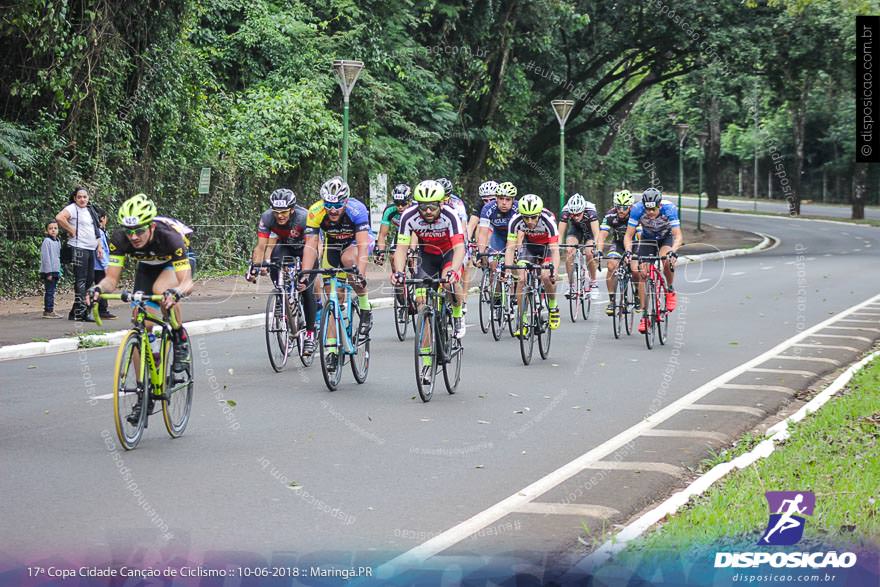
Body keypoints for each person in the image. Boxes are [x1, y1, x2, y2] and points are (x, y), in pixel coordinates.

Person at [86, 194, 195, 375]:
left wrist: (176, 293)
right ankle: (142, 392)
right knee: (140, 323)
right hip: (147, 266)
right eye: (129, 231)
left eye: (139, 230)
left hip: (173, 264)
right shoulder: (120, 239)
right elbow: (111, 280)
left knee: (161, 290)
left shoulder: (170, 238)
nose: (134, 236)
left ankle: (179, 336)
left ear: (151, 226)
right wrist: (97, 288)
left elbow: (187, 283)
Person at [390, 179, 466, 383]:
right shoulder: (409, 216)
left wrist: (454, 270)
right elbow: (402, 248)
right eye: (424, 206)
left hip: (449, 253)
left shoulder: (451, 215)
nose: (428, 211)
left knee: (450, 281)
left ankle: (458, 313)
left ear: (442, 203)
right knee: (422, 304)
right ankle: (426, 364)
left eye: (433, 206)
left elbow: (460, 247)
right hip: (427, 256)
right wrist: (398, 272)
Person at [300, 176, 374, 373]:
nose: (333, 210)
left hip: (356, 243)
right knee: (333, 298)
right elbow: (310, 245)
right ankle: (332, 348)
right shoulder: (315, 211)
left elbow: (363, 246)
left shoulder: (356, 211)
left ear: (346, 202)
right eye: (329, 205)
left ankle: (365, 308)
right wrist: (305, 274)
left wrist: (360, 274)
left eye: (338, 205)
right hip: (333, 245)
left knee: (349, 262)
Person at [246, 188, 316, 356]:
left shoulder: (304, 217)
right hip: (286, 247)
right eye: (276, 212)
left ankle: (310, 335)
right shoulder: (267, 217)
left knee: (305, 290)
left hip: (306, 248)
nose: (280, 216)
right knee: (275, 262)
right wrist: (255, 266)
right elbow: (261, 246)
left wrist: (305, 275)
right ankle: (281, 294)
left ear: (292, 209)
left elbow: (312, 246)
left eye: (284, 212)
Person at [623, 188, 683, 334]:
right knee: (643, 273)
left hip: (665, 239)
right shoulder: (637, 209)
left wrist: (673, 252)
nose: (650, 212)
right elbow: (628, 236)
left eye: (653, 209)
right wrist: (629, 252)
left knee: (667, 261)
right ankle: (645, 316)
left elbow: (678, 236)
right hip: (647, 240)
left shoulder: (669, 209)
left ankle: (669, 289)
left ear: (659, 205)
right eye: (647, 209)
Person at [503, 194, 561, 332]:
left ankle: (553, 306)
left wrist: (555, 270)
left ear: (539, 214)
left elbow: (555, 249)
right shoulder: (515, 220)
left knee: (546, 276)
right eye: (526, 217)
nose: (529, 221)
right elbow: (510, 248)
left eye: (533, 217)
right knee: (521, 278)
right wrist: (508, 271)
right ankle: (522, 320)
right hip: (529, 246)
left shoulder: (548, 220)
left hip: (546, 247)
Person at [55, 186, 102, 320]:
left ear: (88, 198)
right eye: (79, 197)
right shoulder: (72, 209)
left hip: (91, 247)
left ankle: (75, 311)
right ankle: (82, 312)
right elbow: (59, 218)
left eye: (85, 197)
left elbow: (96, 229)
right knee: (80, 279)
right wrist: (71, 229)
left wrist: (99, 246)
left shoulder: (90, 210)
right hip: (78, 247)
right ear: (75, 198)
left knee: (90, 279)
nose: (82, 199)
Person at [475, 181, 518, 300]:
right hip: (498, 235)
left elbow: (521, 233)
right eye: (501, 198)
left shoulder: (518, 208)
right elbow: (483, 233)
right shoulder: (488, 208)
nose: (504, 203)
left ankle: (516, 288)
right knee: (493, 264)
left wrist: (516, 251)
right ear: (496, 198)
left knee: (516, 263)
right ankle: (498, 298)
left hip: (515, 236)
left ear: (513, 199)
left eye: (508, 199)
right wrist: (480, 253)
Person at [596, 190, 635, 316]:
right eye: (618, 207)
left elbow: (640, 235)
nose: (621, 210)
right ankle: (612, 301)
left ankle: (637, 296)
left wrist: (632, 254)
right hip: (618, 244)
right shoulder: (610, 215)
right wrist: (599, 251)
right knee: (611, 266)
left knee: (635, 270)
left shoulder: (636, 215)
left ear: (630, 207)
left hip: (635, 244)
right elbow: (602, 236)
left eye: (624, 208)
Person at [557, 193, 601, 300]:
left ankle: (593, 283)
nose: (575, 217)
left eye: (578, 214)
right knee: (569, 251)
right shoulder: (566, 211)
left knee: (589, 252)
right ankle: (571, 285)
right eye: (573, 215)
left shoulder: (590, 211)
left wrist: (596, 248)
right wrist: (557, 246)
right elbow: (560, 234)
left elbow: (596, 234)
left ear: (583, 210)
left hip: (589, 230)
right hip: (576, 230)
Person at [374, 183, 412, 266]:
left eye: (403, 203)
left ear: (409, 202)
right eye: (397, 203)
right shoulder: (389, 210)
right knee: (393, 257)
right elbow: (382, 234)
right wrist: (381, 252)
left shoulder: (415, 208)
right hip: (401, 234)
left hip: (416, 234)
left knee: (412, 259)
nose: (400, 207)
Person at [91, 206, 116, 319]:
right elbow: (102, 252)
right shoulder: (99, 233)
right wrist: (107, 266)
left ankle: (101, 309)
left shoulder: (98, 232)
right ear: (102, 218)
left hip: (96, 266)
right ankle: (102, 310)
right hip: (100, 266)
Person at [39, 220, 63, 318]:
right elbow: (46, 258)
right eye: (50, 228)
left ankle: (50, 309)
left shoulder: (57, 241)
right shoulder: (46, 241)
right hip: (49, 271)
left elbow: (58, 256)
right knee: (49, 291)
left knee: (52, 291)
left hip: (56, 270)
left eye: (55, 228)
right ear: (46, 231)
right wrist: (48, 272)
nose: (53, 230)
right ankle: (48, 310)